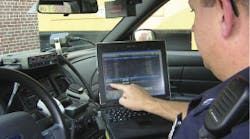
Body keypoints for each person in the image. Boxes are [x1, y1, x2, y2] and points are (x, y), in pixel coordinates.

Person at [110, 0, 249, 138]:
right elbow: (207, 115)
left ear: (224, 14)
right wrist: (148, 102)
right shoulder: (238, 94)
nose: (193, 28)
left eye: (194, 11)